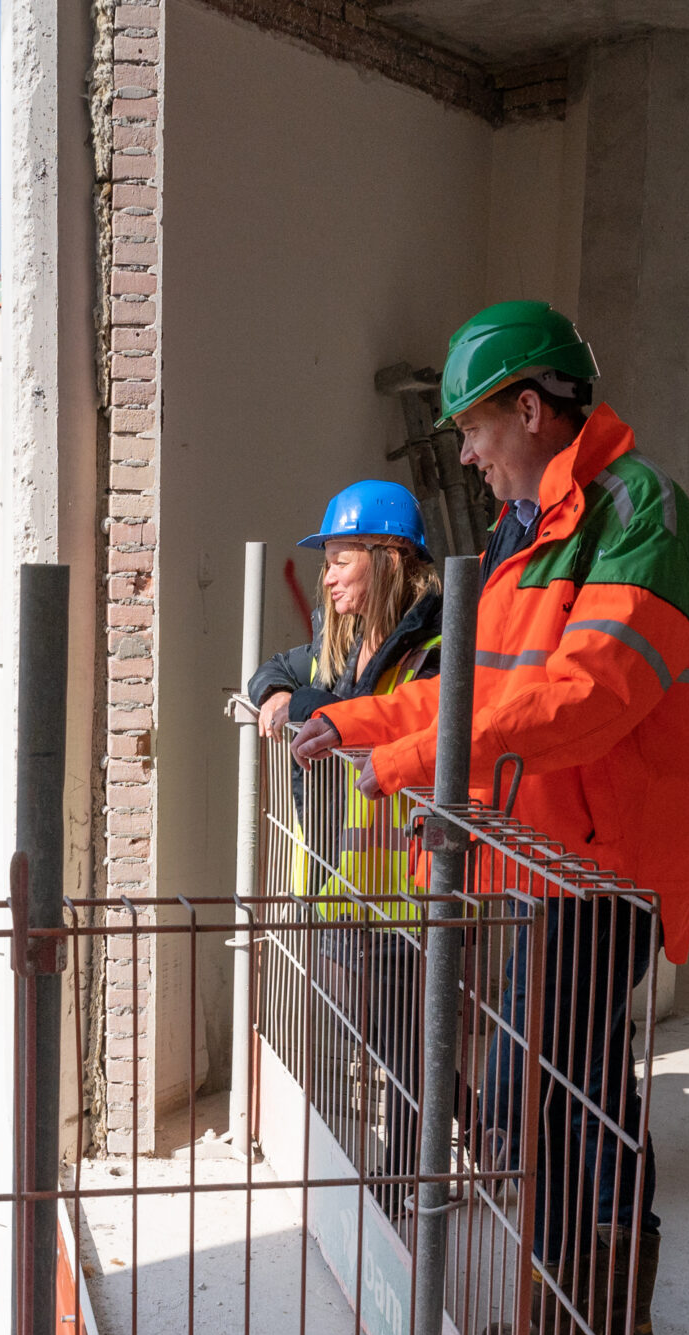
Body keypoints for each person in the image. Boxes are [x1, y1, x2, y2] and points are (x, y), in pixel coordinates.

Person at [292, 302, 689, 1335]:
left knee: (553, 1094)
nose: (469, 455)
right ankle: (598, 1327)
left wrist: (417, 763)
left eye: (476, 429)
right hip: (549, 853)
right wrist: (356, 722)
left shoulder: (639, 515)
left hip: (605, 864)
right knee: (568, 1088)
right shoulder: (527, 532)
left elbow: (589, 698)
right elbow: (475, 692)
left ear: (530, 410)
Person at [247, 479, 442, 1212]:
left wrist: (303, 706)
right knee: (378, 1035)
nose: (326, 577)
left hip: (406, 887)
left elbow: (389, 721)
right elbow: (280, 669)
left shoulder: (434, 646)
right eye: (323, 562)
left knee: (403, 1046)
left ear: (388, 558)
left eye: (340, 558)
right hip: (345, 882)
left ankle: (404, 1186)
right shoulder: (347, 643)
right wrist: (276, 693)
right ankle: (457, 1129)